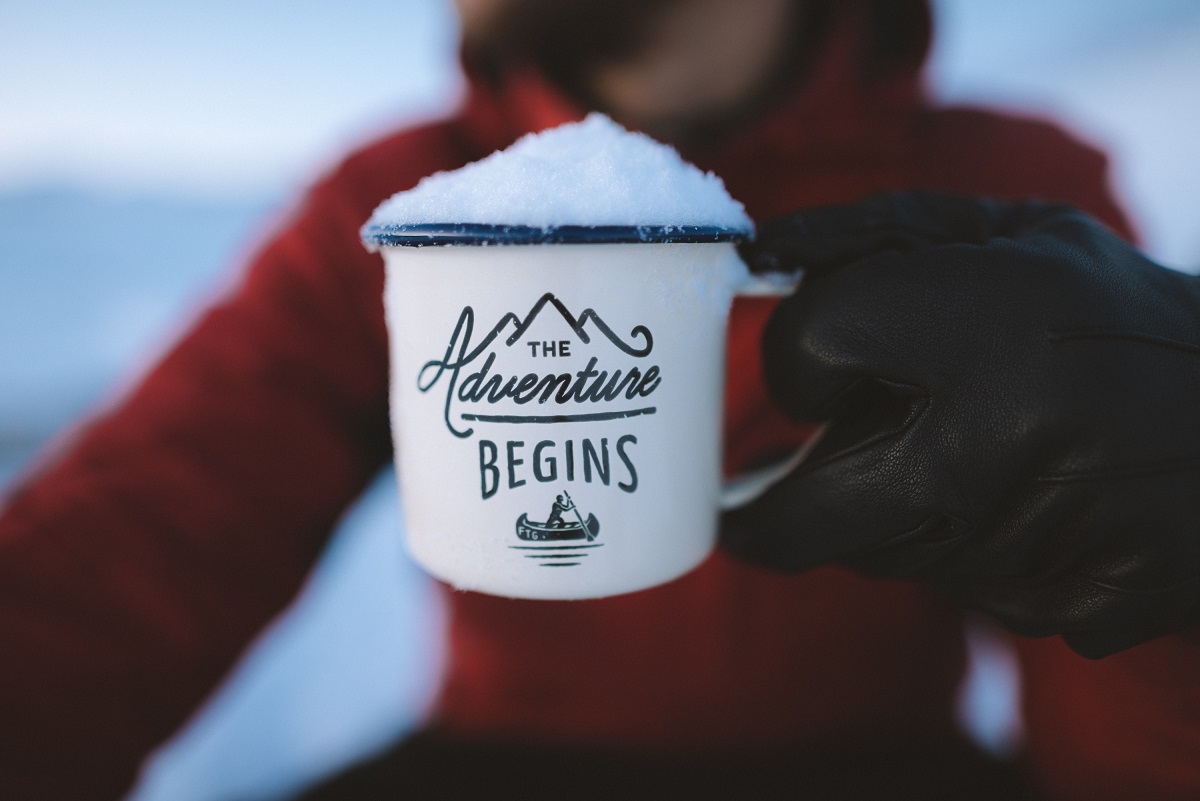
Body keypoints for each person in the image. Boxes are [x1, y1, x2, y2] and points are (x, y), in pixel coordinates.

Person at [2, 1, 1198, 799]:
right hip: (495, 760)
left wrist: (1178, 552)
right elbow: (139, 530)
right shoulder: (403, 203)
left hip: (886, 762)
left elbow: (1120, 722)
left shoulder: (1012, 195)